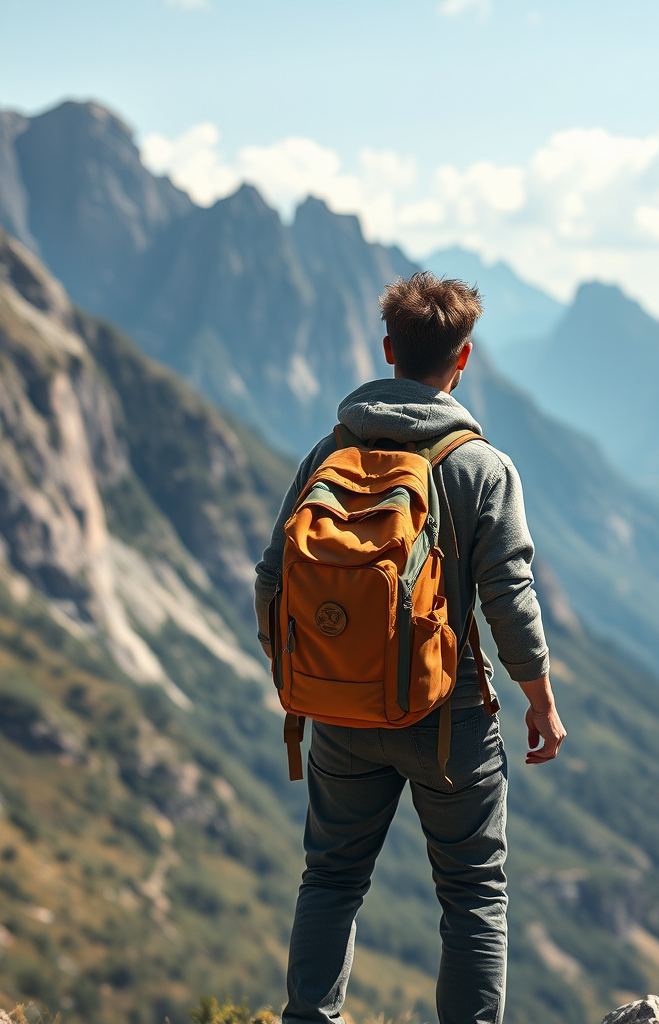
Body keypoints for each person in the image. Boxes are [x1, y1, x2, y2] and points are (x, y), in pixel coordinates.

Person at [254, 271, 566, 1024]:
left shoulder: (330, 450)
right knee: (473, 896)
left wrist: (310, 673)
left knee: (331, 881)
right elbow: (510, 600)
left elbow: (272, 579)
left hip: (341, 711)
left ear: (388, 349)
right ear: (464, 358)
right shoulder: (480, 467)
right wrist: (541, 701)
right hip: (448, 718)